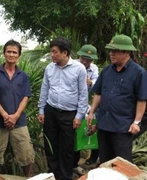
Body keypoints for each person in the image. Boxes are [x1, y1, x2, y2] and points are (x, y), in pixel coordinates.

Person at [87, 34, 147, 164]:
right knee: (105, 162)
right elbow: (98, 94)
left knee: (122, 164)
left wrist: (136, 122)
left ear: (126, 53)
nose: (111, 54)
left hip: (123, 127)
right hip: (104, 125)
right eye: (110, 50)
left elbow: (142, 99)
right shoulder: (107, 71)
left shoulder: (139, 73)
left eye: (115, 51)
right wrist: (92, 112)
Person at [38, 36, 88, 180]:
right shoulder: (49, 68)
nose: (52, 55)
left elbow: (83, 94)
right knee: (51, 145)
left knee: (67, 148)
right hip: (51, 111)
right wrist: (42, 110)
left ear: (65, 53)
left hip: (69, 114)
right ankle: (52, 174)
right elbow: (45, 89)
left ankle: (65, 176)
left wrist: (79, 116)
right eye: (51, 52)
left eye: (55, 52)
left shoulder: (79, 69)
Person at [0, 39, 35, 180]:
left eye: (14, 52)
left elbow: (26, 97)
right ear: (4, 53)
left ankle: (28, 178)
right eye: (9, 52)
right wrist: (6, 115)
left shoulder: (23, 76)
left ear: (19, 55)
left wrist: (15, 116)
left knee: (26, 154)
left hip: (19, 122)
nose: (11, 55)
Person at [75, 44, 100, 172]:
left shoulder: (94, 68)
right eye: (83, 58)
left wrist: (91, 83)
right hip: (73, 104)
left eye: (88, 60)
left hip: (86, 104)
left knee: (93, 126)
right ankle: (75, 161)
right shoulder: (73, 65)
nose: (85, 62)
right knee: (75, 131)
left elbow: (97, 84)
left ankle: (93, 157)